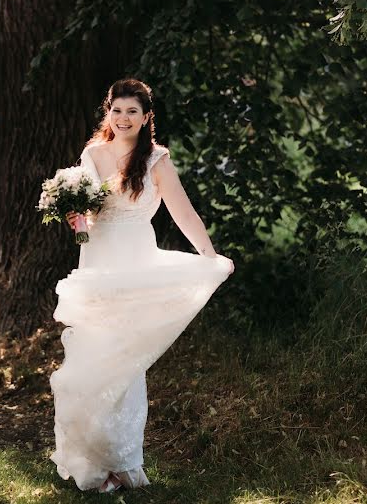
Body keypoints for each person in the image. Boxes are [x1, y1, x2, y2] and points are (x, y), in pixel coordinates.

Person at [48, 78, 236, 493]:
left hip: (136, 261)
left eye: (133, 111)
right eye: (117, 110)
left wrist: (209, 255)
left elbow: (182, 212)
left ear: (147, 117)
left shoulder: (156, 160)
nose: (123, 118)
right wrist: (77, 220)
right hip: (98, 261)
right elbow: (87, 220)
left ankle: (121, 462)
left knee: (126, 361)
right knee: (92, 358)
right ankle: (93, 462)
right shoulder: (92, 154)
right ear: (108, 112)